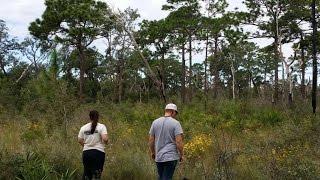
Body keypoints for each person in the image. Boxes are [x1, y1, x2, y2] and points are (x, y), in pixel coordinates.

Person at [149, 103, 184, 180]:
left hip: (159, 157)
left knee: (161, 177)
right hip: (171, 157)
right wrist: (181, 154)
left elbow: (151, 140)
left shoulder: (155, 122)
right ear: (172, 112)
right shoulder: (176, 123)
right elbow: (179, 141)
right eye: (176, 113)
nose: (175, 115)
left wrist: (152, 152)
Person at [78, 110, 108, 180]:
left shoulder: (83, 127)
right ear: (98, 117)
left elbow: (79, 140)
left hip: (86, 153)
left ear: (89, 117)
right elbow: (105, 139)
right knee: (97, 175)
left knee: (87, 174)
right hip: (98, 153)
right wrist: (106, 143)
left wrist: (85, 146)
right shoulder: (101, 127)